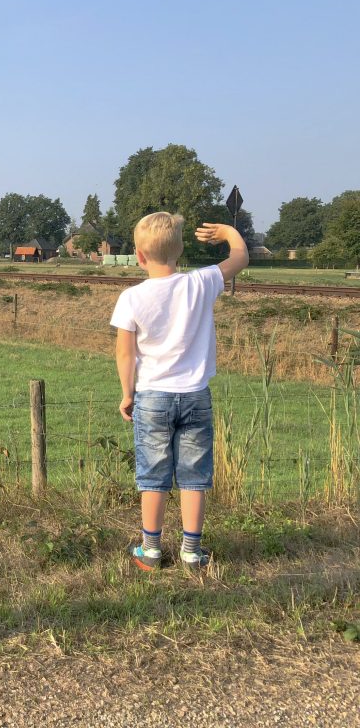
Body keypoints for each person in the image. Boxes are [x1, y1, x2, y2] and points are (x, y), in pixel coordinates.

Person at [110, 213, 249, 572]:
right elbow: (240, 258)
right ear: (181, 249)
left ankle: (151, 549)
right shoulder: (201, 282)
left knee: (153, 475)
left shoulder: (131, 298)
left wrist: (128, 393)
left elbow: (125, 352)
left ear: (139, 255)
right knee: (193, 475)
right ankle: (191, 551)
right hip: (195, 395)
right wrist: (228, 232)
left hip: (152, 396)